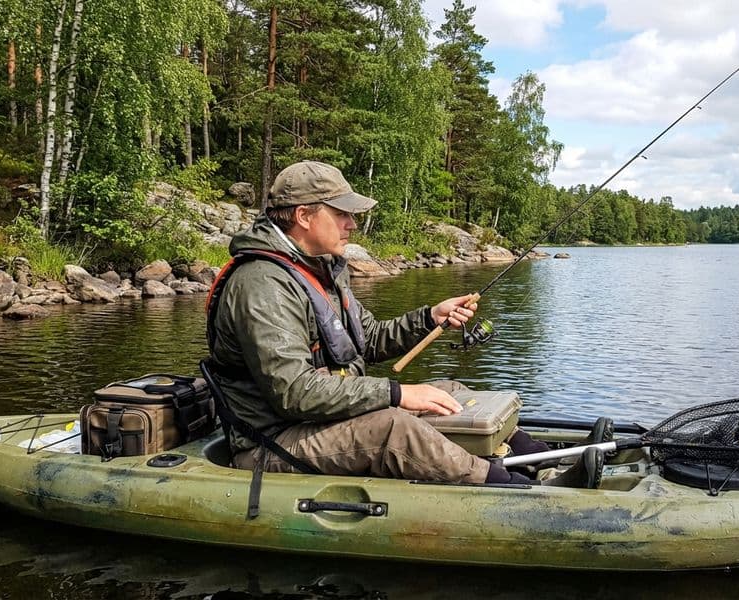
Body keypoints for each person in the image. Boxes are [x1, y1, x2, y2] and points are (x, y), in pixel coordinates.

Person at [206, 160, 596, 488]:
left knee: (451, 391)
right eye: (341, 213)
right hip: (274, 441)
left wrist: (429, 318)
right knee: (393, 426)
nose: (352, 224)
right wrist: (396, 393)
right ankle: (524, 491)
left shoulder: (318, 270)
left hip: (319, 421)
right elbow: (295, 393)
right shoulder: (262, 284)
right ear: (305, 216)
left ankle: (546, 460)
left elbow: (369, 339)